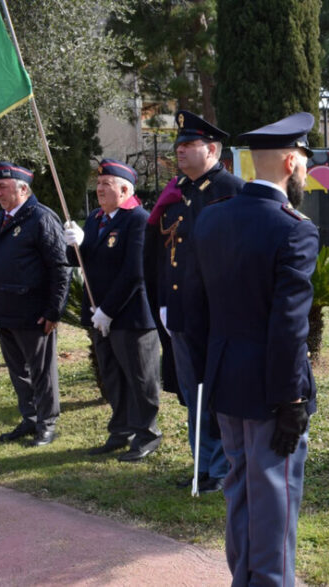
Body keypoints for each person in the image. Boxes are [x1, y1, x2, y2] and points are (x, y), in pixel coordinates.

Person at [186, 112, 319, 587]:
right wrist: (291, 400)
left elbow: (195, 308)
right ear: (289, 161)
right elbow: (287, 325)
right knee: (275, 503)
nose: (304, 169)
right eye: (303, 160)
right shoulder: (294, 228)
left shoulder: (213, 217)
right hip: (269, 391)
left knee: (241, 493)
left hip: (225, 382)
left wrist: (207, 375)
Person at [145, 110, 245, 492]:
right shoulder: (177, 194)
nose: (180, 151)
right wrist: (164, 302)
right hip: (181, 313)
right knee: (193, 394)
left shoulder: (231, 191)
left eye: (189, 144)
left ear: (213, 149)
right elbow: (164, 253)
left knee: (215, 391)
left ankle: (221, 468)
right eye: (179, 145)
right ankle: (201, 465)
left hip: (216, 313)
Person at [65, 159, 162, 461]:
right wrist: (73, 244)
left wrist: (108, 310)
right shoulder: (96, 218)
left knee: (140, 378)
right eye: (98, 185)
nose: (99, 190)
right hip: (99, 315)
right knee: (112, 376)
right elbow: (79, 261)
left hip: (130, 316)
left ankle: (147, 434)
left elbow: (134, 272)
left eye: (106, 185)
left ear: (124, 189)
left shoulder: (138, 219)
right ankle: (121, 430)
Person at [0, 161, 70, 447]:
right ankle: (29, 418)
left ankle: (47, 423)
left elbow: (60, 267)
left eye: (3, 187)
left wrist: (54, 310)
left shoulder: (40, 218)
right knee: (19, 371)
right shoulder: (3, 217)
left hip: (33, 312)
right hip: (5, 310)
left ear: (23, 188)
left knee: (41, 371)